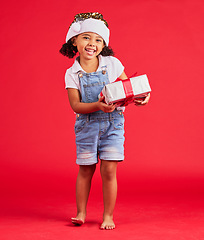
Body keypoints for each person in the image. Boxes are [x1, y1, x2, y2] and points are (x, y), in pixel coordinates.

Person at [59, 12, 150, 230]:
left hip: (113, 125)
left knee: (109, 171)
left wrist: (142, 96)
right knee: (86, 169)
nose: (92, 43)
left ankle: (108, 216)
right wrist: (98, 106)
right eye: (86, 37)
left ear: (104, 44)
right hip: (86, 127)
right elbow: (76, 106)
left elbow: (129, 87)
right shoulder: (73, 73)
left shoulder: (112, 63)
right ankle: (81, 212)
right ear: (75, 41)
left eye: (98, 39)